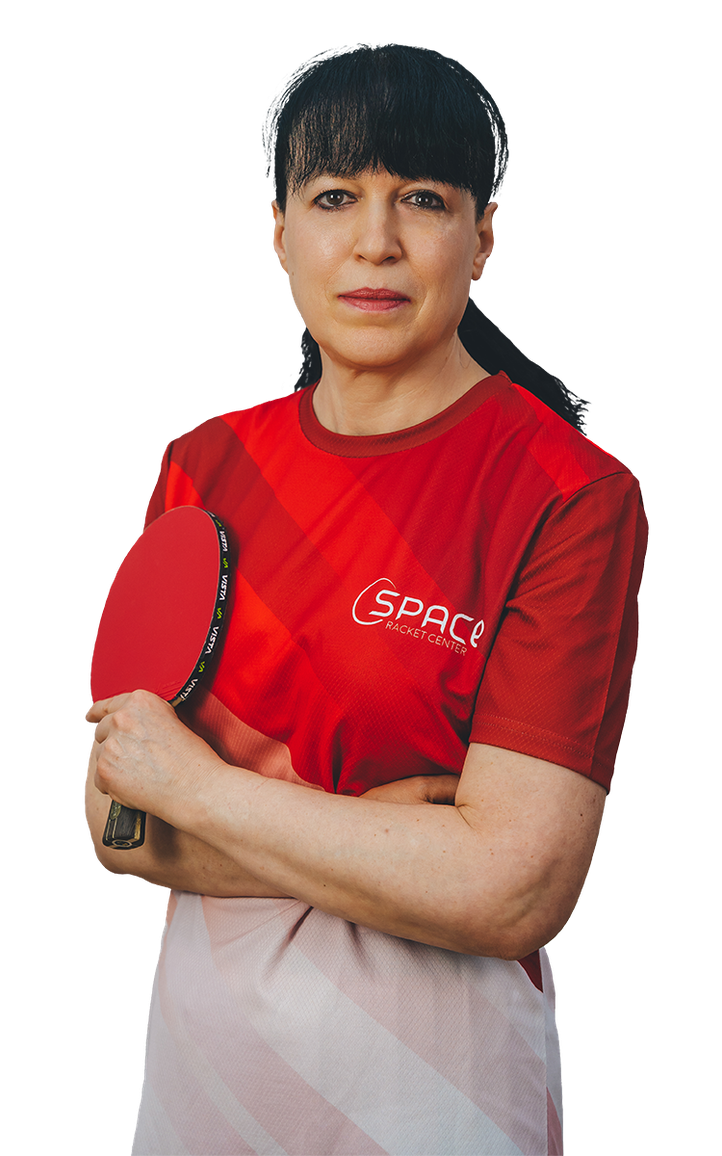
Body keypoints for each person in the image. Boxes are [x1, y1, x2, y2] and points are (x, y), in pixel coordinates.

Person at [84, 43, 648, 1155]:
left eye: (422, 199)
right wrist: (402, 840)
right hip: (203, 1083)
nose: (375, 241)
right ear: (279, 231)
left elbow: (512, 891)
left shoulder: (568, 493)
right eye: (334, 196)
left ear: (483, 238)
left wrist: (199, 789)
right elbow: (115, 822)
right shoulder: (202, 464)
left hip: (432, 1087)